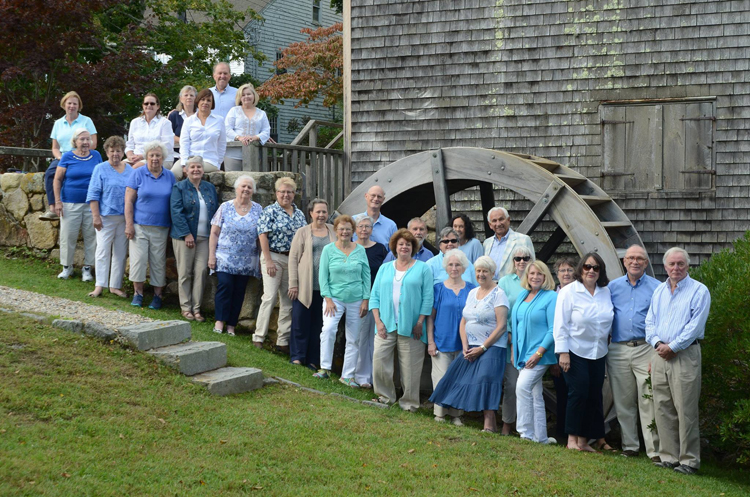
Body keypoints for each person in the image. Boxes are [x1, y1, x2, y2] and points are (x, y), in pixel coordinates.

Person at [646, 248, 711, 475]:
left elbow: (695, 326)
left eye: (680, 264)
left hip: (684, 355)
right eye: (672, 264)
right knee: (663, 407)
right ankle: (669, 456)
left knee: (685, 409)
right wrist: (657, 344)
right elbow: (649, 322)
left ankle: (689, 461)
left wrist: (673, 347)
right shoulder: (658, 291)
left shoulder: (699, 291)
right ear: (665, 267)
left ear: (688, 266)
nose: (676, 268)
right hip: (660, 354)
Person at [429, 256, 510, 433]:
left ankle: (489, 424)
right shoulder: (473, 293)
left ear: (492, 273)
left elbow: (502, 326)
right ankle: (446, 413)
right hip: (471, 345)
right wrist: (465, 344)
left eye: (485, 271)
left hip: (492, 347)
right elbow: (464, 321)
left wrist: (483, 348)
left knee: (486, 380)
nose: (481, 274)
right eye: (478, 271)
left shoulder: (499, 294)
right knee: (454, 375)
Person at [553, 252, 613, 452]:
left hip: (598, 351)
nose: (591, 271)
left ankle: (584, 441)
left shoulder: (605, 291)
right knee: (578, 393)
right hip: (574, 350)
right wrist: (562, 352)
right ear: (581, 269)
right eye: (587, 267)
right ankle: (571, 439)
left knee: (593, 394)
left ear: (600, 271)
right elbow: (560, 323)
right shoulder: (569, 292)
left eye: (596, 268)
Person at [369, 229, 433, 411]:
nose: (404, 247)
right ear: (394, 247)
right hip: (385, 325)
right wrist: (378, 323)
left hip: (412, 327)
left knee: (411, 368)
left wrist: (420, 322)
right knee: (380, 360)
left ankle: (409, 403)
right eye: (401, 244)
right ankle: (384, 396)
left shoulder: (422, 268)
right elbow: (374, 297)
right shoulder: (384, 268)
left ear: (413, 248)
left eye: (408, 244)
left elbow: (428, 299)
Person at [608, 245, 661, 461]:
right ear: (624, 261)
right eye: (631, 258)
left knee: (649, 399)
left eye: (640, 258)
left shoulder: (657, 288)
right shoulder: (612, 287)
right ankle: (629, 446)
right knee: (623, 401)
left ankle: (654, 451)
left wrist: (656, 354)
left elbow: (662, 320)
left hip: (646, 348)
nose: (635, 262)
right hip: (618, 349)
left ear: (646, 263)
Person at [316, 215, 371, 387]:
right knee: (329, 329)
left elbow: (366, 276)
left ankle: (347, 376)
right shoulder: (328, 250)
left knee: (354, 338)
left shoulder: (360, 250)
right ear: (336, 230)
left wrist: (365, 300)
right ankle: (324, 368)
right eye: (341, 229)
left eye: (348, 229)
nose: (345, 232)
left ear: (352, 231)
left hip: (356, 299)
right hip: (334, 299)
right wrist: (328, 298)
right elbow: (323, 276)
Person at [254, 177, 307, 353]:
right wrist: (268, 260)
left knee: (288, 300)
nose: (286, 195)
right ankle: (259, 337)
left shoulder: (299, 214)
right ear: (276, 193)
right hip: (274, 257)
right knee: (269, 297)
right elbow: (262, 235)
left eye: (289, 192)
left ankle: (282, 340)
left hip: (292, 261)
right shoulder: (269, 211)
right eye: (282, 191)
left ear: (294, 194)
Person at [426, 248, 476, 425]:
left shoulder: (472, 289)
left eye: (458, 265)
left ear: (464, 268)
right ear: (445, 267)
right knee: (441, 378)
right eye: (451, 265)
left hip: (465, 343)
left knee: (459, 379)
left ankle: (456, 414)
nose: (454, 268)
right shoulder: (438, 289)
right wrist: (430, 341)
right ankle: (439, 413)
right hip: (441, 341)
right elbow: (430, 318)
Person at [208, 175, 263, 336]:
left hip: (247, 260)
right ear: (236, 188)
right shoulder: (225, 207)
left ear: (253, 191)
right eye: (243, 186)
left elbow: (261, 236)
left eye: (249, 187)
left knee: (239, 291)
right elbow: (214, 232)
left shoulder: (258, 209)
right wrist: (211, 255)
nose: (246, 189)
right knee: (224, 286)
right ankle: (219, 321)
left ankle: (231, 324)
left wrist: (261, 259)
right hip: (225, 258)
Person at [124, 141, 176, 309]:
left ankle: (157, 296)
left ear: (163, 158)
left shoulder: (169, 176)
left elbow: (174, 203)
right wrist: (129, 225)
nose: (155, 158)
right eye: (151, 155)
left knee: (158, 263)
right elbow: (128, 201)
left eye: (158, 155)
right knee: (138, 261)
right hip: (139, 226)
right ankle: (138, 294)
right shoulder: (138, 173)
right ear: (146, 157)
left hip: (161, 227)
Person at [511, 260, 558, 444]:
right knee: (535, 394)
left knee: (522, 387)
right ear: (527, 276)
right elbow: (516, 325)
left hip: (540, 354)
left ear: (545, 277)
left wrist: (538, 353)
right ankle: (541, 437)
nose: (535, 277)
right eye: (532, 274)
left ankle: (525, 434)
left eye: (539, 274)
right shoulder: (523, 295)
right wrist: (515, 350)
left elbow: (553, 329)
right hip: (523, 353)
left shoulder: (551, 297)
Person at [288, 199, 336, 368]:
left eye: (324, 212)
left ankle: (314, 360)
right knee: (300, 322)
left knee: (319, 325)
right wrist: (293, 284)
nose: (321, 215)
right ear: (311, 213)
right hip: (305, 286)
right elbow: (293, 258)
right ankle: (297, 356)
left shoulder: (333, 231)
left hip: (326, 288)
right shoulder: (303, 232)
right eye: (318, 212)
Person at [170, 156, 219, 322]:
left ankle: (197, 309)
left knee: (201, 272)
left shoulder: (209, 188)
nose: (196, 170)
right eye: (192, 167)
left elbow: (216, 212)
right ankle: (186, 307)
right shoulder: (179, 187)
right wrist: (187, 234)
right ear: (186, 170)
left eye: (199, 167)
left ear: (203, 170)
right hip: (185, 238)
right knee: (185, 272)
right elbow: (176, 212)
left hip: (205, 238)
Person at [85, 136, 133, 297]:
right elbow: (93, 194)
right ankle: (99, 285)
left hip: (124, 218)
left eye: (118, 151)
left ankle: (115, 285)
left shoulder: (130, 170)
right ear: (106, 152)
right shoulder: (100, 168)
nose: (115, 154)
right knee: (102, 251)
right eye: (112, 151)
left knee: (120, 252)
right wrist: (95, 216)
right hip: (105, 217)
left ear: (123, 152)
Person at [52, 128, 102, 281]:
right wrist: (58, 202)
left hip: (91, 204)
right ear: (75, 141)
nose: (86, 142)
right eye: (82, 139)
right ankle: (67, 267)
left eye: (88, 139)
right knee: (68, 236)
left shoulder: (96, 155)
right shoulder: (67, 156)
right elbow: (57, 179)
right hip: (70, 203)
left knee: (91, 236)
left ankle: (87, 269)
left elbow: (102, 176)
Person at [42, 91, 98, 221]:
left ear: (79, 106)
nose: (72, 106)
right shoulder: (58, 123)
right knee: (50, 173)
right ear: (64, 104)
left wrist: (78, 154)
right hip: (64, 156)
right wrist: (61, 158)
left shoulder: (86, 121)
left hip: (84, 155)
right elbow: (55, 147)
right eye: (69, 103)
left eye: (75, 103)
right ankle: (52, 207)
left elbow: (93, 143)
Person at [497, 246, 535, 435]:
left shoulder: (537, 281)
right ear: (513, 261)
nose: (521, 262)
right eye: (517, 258)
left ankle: (528, 427)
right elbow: (501, 310)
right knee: (511, 384)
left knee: (529, 386)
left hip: (532, 342)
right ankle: (507, 423)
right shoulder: (504, 282)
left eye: (525, 258)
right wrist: (510, 335)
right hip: (510, 340)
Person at [353, 215, 389, 389]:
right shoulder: (351, 249)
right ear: (355, 229)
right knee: (360, 337)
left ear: (372, 230)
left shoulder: (380, 249)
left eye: (367, 226)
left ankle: (375, 377)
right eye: (360, 226)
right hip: (357, 297)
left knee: (376, 337)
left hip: (377, 298)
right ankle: (361, 376)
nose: (364, 230)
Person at [550, 257, 578, 443]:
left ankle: (575, 432)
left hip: (577, 351)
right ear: (557, 274)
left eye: (569, 270)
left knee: (575, 393)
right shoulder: (552, 295)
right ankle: (562, 431)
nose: (566, 273)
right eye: (562, 270)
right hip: (557, 352)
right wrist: (555, 359)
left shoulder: (579, 293)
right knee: (561, 393)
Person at [177, 89, 225, 180]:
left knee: (193, 171)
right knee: (173, 174)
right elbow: (184, 143)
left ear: (212, 104)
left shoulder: (219, 120)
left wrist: (218, 164)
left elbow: (222, 145)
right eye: (202, 99)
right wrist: (184, 163)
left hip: (209, 161)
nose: (205, 102)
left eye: (208, 100)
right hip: (190, 159)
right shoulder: (189, 121)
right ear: (198, 101)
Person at [224, 84, 271, 171]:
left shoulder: (261, 113)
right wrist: (239, 137)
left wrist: (255, 137)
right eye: (243, 95)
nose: (246, 97)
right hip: (233, 154)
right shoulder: (234, 110)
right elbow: (226, 128)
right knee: (232, 182)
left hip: (253, 154)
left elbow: (266, 131)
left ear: (254, 95)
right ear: (240, 97)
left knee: (251, 182)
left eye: (249, 94)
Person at [482, 206, 534, 280]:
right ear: (490, 225)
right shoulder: (487, 243)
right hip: (491, 287)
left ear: (508, 220)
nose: (498, 223)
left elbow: (532, 267)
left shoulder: (524, 240)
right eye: (494, 221)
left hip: (513, 287)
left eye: (501, 219)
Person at [125, 93, 175, 168]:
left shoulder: (165, 123)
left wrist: (142, 156)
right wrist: (130, 156)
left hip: (158, 158)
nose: (149, 105)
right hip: (135, 159)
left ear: (157, 106)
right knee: (119, 167)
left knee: (134, 169)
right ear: (143, 106)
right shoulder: (135, 122)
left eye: (152, 103)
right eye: (146, 103)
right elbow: (130, 145)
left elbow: (167, 146)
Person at [168, 85, 197, 161]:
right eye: (186, 95)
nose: (189, 97)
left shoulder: (200, 115)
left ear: (196, 98)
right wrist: (183, 140)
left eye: (191, 95)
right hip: (177, 155)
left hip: (197, 154)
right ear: (181, 99)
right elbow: (169, 135)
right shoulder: (174, 115)